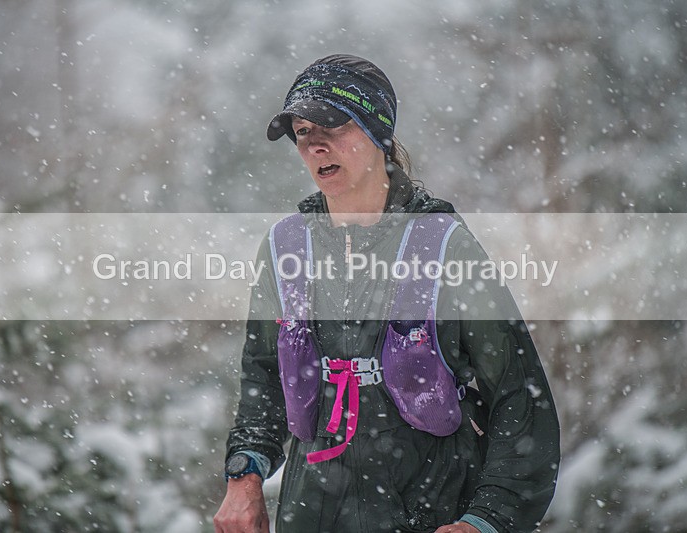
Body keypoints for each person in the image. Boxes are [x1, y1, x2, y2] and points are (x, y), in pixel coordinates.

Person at [213, 54, 560, 533]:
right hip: (311, 510)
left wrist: (485, 520)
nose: (314, 146)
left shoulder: (442, 245)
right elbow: (265, 378)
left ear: (378, 132)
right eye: (302, 131)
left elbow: (520, 396)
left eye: (332, 127)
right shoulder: (285, 248)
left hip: (429, 507)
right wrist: (244, 475)